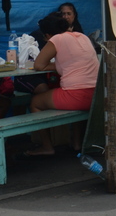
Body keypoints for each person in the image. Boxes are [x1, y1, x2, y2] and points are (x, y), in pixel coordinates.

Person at [24, 11, 98, 156]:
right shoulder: (82, 36)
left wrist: (52, 65)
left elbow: (39, 65)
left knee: (35, 102)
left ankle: (47, 147)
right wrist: (59, 65)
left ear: (46, 35)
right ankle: (76, 143)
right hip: (96, 94)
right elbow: (72, 63)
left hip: (76, 96)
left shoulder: (56, 39)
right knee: (72, 95)